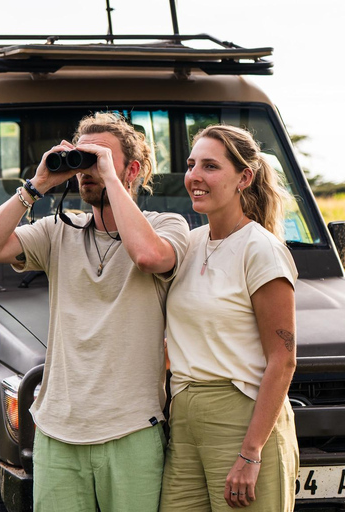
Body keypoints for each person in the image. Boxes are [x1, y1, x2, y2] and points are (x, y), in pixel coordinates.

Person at [0, 112, 189, 512]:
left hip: (132, 431)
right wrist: (36, 186)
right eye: (82, 161)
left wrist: (111, 177)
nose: (87, 171)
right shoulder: (59, 231)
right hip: (58, 433)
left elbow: (147, 255)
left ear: (133, 169)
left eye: (99, 159)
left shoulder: (167, 226)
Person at [160, 125, 299, 511]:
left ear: (244, 178)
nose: (195, 177)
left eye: (210, 166)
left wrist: (251, 452)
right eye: (191, 165)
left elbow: (283, 358)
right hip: (185, 414)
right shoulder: (188, 243)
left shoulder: (260, 250)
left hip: (242, 417)